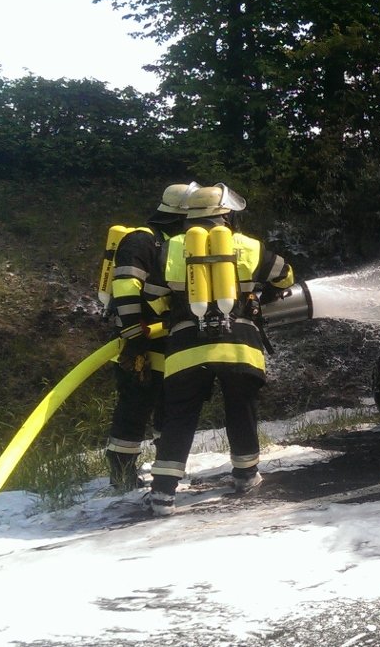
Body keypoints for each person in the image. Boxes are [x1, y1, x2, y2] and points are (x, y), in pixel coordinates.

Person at [147, 183, 295, 516]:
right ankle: (245, 475)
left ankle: (163, 493)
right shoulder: (248, 246)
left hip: (186, 349)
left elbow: (153, 296)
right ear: (227, 216)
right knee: (240, 409)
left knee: (179, 419)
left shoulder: (171, 249)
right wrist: (257, 293)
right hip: (239, 347)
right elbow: (285, 277)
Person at [105, 182, 198, 491]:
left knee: (167, 407)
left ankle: (164, 470)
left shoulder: (175, 244)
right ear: (180, 215)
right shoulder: (141, 241)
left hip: (170, 342)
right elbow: (125, 288)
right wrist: (134, 336)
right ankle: (121, 475)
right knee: (134, 406)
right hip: (142, 342)